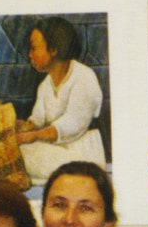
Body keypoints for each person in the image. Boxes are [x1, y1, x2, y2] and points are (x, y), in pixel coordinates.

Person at [15, 17, 107, 186]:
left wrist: (33, 135)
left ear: (54, 49)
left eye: (34, 48)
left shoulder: (84, 77)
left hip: (82, 150)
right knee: (19, 151)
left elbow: (72, 124)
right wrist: (21, 126)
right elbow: (37, 119)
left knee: (30, 157)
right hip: (55, 150)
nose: (30, 54)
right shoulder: (45, 84)